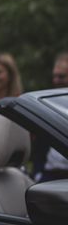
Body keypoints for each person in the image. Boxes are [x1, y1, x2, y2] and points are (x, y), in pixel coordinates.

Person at [32, 52, 68, 181]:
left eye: (61, 76)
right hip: (49, 175)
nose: (56, 80)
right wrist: (37, 174)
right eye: (55, 76)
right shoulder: (48, 103)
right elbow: (39, 144)